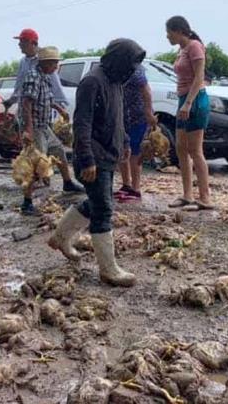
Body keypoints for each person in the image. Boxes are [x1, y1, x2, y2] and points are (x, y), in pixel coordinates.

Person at [48, 39, 145, 287]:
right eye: (131, 64)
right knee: (103, 209)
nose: (132, 70)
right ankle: (108, 269)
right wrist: (87, 158)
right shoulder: (92, 81)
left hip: (109, 153)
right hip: (93, 157)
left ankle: (60, 238)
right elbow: (82, 123)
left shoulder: (116, 81)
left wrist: (124, 142)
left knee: (98, 202)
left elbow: (118, 115)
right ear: (118, 60)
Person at [18, 46, 84, 215]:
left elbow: (47, 98)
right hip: (36, 127)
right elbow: (27, 104)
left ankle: (68, 183)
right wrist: (29, 130)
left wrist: (59, 109)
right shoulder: (33, 76)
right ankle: (27, 203)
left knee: (59, 152)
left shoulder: (45, 76)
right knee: (37, 164)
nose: (56, 67)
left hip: (44, 125)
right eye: (54, 63)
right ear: (45, 63)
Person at [165, 15, 213, 210]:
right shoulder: (182, 49)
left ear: (178, 31)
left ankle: (205, 198)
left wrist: (189, 104)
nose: (167, 37)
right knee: (181, 149)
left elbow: (200, 76)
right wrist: (183, 103)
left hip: (195, 100)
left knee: (195, 150)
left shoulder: (194, 46)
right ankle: (187, 195)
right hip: (183, 99)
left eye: (169, 33)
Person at [3, 28, 69, 119]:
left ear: (33, 43)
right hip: (26, 112)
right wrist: (11, 101)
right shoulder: (23, 62)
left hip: (41, 112)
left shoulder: (45, 62)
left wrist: (60, 108)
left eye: (22, 41)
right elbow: (19, 87)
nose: (19, 44)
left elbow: (55, 87)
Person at [115, 65, 157, 202]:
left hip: (137, 117)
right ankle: (126, 185)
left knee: (135, 152)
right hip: (122, 116)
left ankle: (136, 188)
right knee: (122, 150)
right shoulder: (117, 69)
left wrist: (149, 113)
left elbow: (147, 92)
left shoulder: (136, 71)